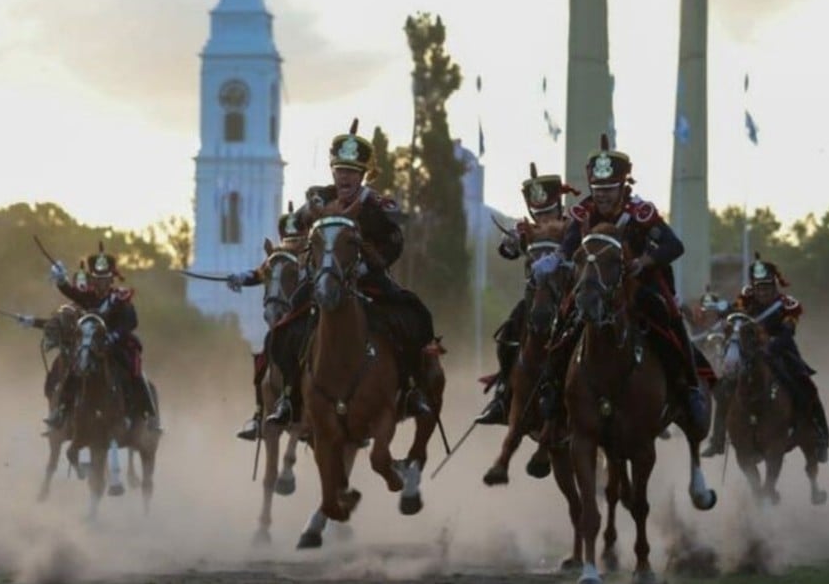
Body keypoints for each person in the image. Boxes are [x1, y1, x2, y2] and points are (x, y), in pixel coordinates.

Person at [537, 135, 711, 434]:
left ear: (622, 186)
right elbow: (569, 244)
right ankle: (551, 388)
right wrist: (555, 259)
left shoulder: (640, 213)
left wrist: (644, 261)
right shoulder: (584, 213)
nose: (602, 196)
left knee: (668, 319)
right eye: (598, 189)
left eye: (609, 189)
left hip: (640, 284)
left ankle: (690, 388)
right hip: (596, 285)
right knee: (563, 319)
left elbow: (674, 246)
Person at [268, 118, 435, 426]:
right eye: (340, 170)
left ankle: (412, 389)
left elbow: (395, 238)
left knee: (414, 315)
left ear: (362, 174)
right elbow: (298, 223)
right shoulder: (319, 197)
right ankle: (289, 398)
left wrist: (370, 261)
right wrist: (312, 215)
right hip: (324, 277)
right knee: (285, 328)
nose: (344, 176)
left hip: (367, 278)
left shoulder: (377, 204)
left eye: (351, 171)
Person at [476, 164, 576, 425]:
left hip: (570, 300)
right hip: (536, 300)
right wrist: (511, 242)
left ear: (559, 207)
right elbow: (507, 252)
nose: (544, 218)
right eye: (538, 213)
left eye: (548, 212)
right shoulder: (527, 232)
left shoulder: (572, 228)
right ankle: (503, 394)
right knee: (509, 333)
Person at [702, 256, 828, 462]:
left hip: (780, 352)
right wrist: (726, 315)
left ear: (774, 286)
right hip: (749, 352)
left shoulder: (788, 305)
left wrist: (770, 346)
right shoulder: (746, 298)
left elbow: (788, 333)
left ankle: (821, 437)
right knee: (723, 388)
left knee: (805, 386)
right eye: (759, 287)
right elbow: (734, 316)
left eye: (767, 287)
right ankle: (717, 439)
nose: (762, 292)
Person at [45, 244, 160, 432]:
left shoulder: (120, 298)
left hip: (116, 344)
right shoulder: (88, 297)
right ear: (92, 279)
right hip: (93, 344)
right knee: (75, 367)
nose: (101, 284)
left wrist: (114, 335)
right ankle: (62, 409)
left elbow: (131, 321)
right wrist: (61, 280)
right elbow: (71, 292)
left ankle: (148, 413)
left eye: (105, 279)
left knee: (134, 370)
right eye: (97, 279)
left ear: (111, 279)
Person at [227, 205, 307, 441]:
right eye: (288, 238)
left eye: (296, 237)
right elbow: (260, 274)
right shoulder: (278, 259)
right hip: (285, 322)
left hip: (309, 317)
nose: (292, 242)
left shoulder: (314, 254)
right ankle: (259, 414)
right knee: (264, 355)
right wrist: (240, 277)